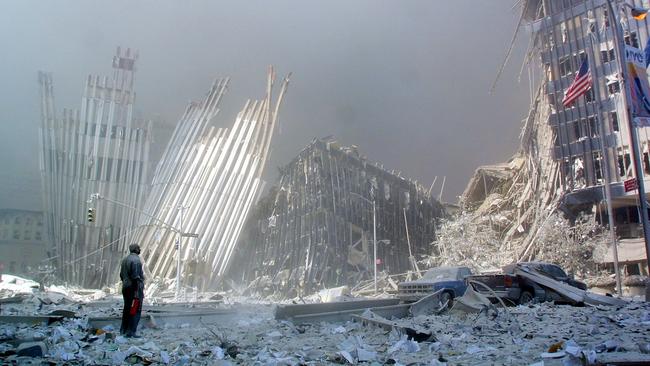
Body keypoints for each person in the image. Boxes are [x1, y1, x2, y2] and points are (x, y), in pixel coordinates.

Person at [120, 243, 145, 338]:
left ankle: (123, 330)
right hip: (135, 289)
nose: (140, 249)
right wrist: (136, 290)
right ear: (136, 249)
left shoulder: (125, 259)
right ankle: (131, 332)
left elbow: (121, 275)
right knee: (135, 309)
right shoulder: (136, 260)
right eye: (139, 248)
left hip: (125, 287)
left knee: (126, 309)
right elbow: (136, 277)